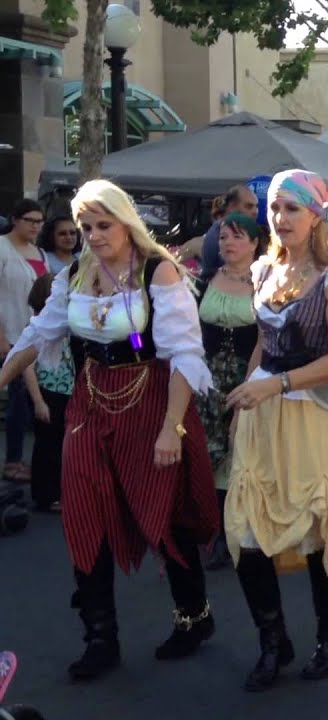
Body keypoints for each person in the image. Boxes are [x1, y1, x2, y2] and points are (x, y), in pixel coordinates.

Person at [0, 180, 220, 681]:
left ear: (126, 223)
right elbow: (40, 333)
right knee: (83, 513)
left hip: (152, 398)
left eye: (103, 225)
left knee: (161, 511)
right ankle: (100, 636)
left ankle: (194, 616)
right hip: (91, 398)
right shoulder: (76, 272)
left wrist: (171, 430)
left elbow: (184, 354)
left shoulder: (158, 272)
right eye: (85, 227)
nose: (94, 236)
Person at [222, 170, 328, 692]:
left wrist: (276, 385)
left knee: (318, 531)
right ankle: (274, 643)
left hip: (319, 413)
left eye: (293, 209)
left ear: (316, 215)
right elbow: (262, 345)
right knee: (248, 533)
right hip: (266, 409)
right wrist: (248, 394)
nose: (281, 218)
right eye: (274, 208)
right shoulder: (263, 268)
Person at [194, 212, 265, 570]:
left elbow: (263, 344)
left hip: (245, 377)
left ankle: (232, 532)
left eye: (237, 237)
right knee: (208, 453)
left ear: (254, 243)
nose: (228, 243)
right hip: (206, 379)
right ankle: (211, 528)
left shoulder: (265, 283)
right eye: (223, 237)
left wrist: (247, 389)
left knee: (239, 454)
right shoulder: (205, 280)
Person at [1, 199, 49, 483]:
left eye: (39, 221)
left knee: (28, 401)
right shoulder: (2, 247)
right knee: (19, 399)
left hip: (34, 337)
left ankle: (20, 460)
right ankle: (12, 461)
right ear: (15, 219)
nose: (35, 225)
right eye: (29, 220)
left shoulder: (40, 252)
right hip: (9, 336)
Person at [25, 274, 72, 513]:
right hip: (48, 390)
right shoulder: (37, 327)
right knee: (47, 446)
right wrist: (38, 401)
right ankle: (45, 494)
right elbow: (27, 366)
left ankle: (62, 490)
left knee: (63, 445)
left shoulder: (66, 325)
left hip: (69, 390)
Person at [200, 185, 259, 281]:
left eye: (256, 206)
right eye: (249, 206)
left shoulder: (224, 229)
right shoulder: (221, 232)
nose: (255, 211)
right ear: (232, 207)